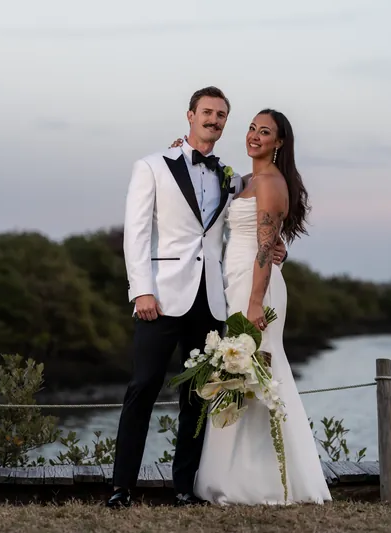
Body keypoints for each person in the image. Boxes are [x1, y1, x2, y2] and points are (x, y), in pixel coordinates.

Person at [107, 87, 288, 508]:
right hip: (161, 296)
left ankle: (184, 487)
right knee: (143, 388)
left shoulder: (230, 176)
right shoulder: (152, 166)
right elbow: (134, 234)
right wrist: (142, 290)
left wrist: (280, 250)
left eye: (222, 115)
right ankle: (121, 487)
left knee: (199, 398)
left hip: (212, 298)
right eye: (207, 112)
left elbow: (258, 225)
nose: (215, 120)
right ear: (190, 115)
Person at [192, 108, 332, 505]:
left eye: (264, 131)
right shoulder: (248, 180)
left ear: (279, 142)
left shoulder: (270, 182)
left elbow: (266, 247)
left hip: (256, 290)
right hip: (235, 281)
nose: (254, 135)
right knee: (237, 373)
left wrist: (255, 302)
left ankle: (264, 481)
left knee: (258, 374)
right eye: (252, 128)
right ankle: (232, 473)